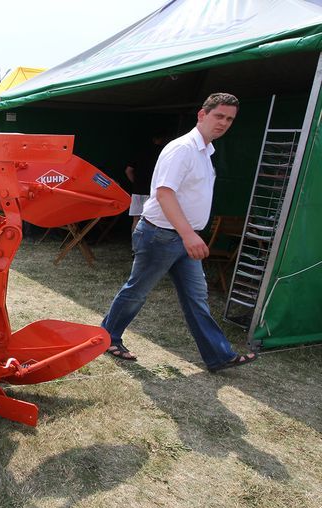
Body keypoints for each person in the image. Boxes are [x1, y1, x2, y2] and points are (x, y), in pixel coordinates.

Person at [100, 93, 256, 372]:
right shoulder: (183, 148)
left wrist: (189, 235)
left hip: (183, 237)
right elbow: (164, 193)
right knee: (137, 291)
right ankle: (106, 338)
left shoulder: (206, 152)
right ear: (202, 115)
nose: (224, 123)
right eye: (219, 116)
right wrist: (189, 235)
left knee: (196, 297)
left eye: (229, 119)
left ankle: (219, 356)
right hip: (162, 235)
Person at [125, 133, 167, 231]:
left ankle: (134, 244)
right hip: (153, 191)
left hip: (137, 190)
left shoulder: (139, 152)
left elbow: (128, 170)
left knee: (136, 219)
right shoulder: (163, 152)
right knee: (151, 221)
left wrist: (135, 183)